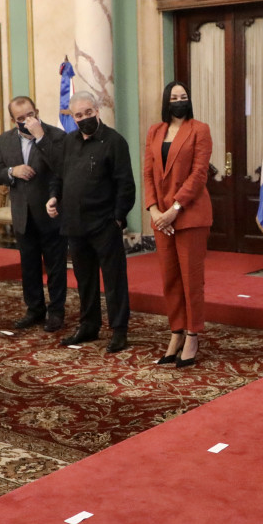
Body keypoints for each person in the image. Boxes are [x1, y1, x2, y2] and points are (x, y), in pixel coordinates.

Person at [47, 91, 135, 354]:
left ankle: (119, 329)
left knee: (114, 280)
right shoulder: (69, 142)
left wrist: (117, 218)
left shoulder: (114, 141)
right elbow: (58, 176)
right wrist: (53, 197)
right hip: (74, 224)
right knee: (84, 279)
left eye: (88, 112)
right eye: (78, 115)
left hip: (105, 224)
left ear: (97, 111)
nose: (84, 118)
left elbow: (125, 185)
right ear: (72, 118)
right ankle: (89, 325)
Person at [142, 81, 212, 367]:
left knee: (191, 279)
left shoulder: (200, 130)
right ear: (166, 101)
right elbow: (148, 173)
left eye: (183, 96)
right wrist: (154, 210)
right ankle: (176, 332)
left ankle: (192, 334)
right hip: (162, 218)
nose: (179, 101)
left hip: (189, 215)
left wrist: (174, 209)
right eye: (174, 97)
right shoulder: (155, 131)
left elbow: (199, 174)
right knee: (170, 279)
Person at [0, 96, 67, 332]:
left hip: (50, 212)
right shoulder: (5, 140)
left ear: (37, 112)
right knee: (29, 265)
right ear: (13, 120)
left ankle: (56, 311)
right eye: (21, 118)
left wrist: (40, 138)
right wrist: (12, 171)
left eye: (30, 115)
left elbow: (60, 170)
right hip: (22, 213)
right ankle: (34, 309)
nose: (27, 121)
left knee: (55, 266)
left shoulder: (56, 135)